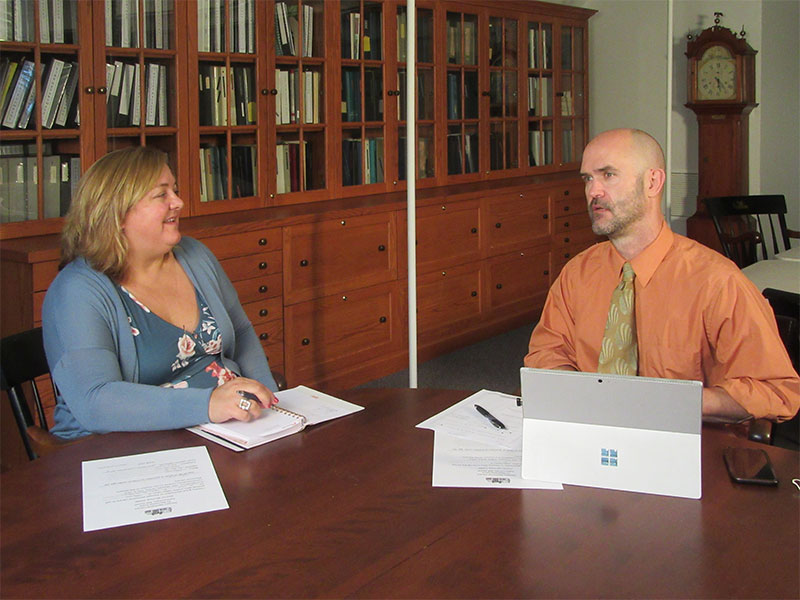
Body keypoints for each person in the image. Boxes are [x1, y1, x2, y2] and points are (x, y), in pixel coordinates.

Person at [525, 128, 799, 422]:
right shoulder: (577, 274)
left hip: (686, 437)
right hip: (590, 428)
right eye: (587, 179)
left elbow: (776, 392)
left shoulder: (718, 282)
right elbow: (545, 355)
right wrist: (586, 396)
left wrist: (672, 401)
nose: (593, 192)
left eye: (608, 175)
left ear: (653, 182)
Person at [43, 146, 278, 439]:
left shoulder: (195, 255)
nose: (178, 202)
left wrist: (269, 402)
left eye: (175, 191)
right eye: (161, 194)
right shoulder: (78, 291)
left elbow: (241, 332)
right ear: (117, 213)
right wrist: (208, 404)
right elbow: (95, 401)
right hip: (119, 449)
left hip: (221, 431)